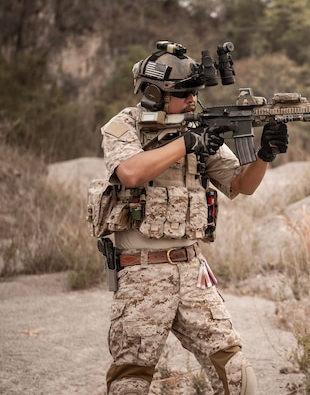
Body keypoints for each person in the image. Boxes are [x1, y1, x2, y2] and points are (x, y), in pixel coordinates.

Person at [97, 41, 289, 395]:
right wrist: (188, 143)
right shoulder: (125, 125)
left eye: (194, 93)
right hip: (142, 272)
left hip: (192, 270)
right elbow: (130, 173)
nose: (191, 101)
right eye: (182, 93)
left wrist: (263, 155)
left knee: (237, 376)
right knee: (130, 382)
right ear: (154, 94)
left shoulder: (197, 129)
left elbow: (240, 185)